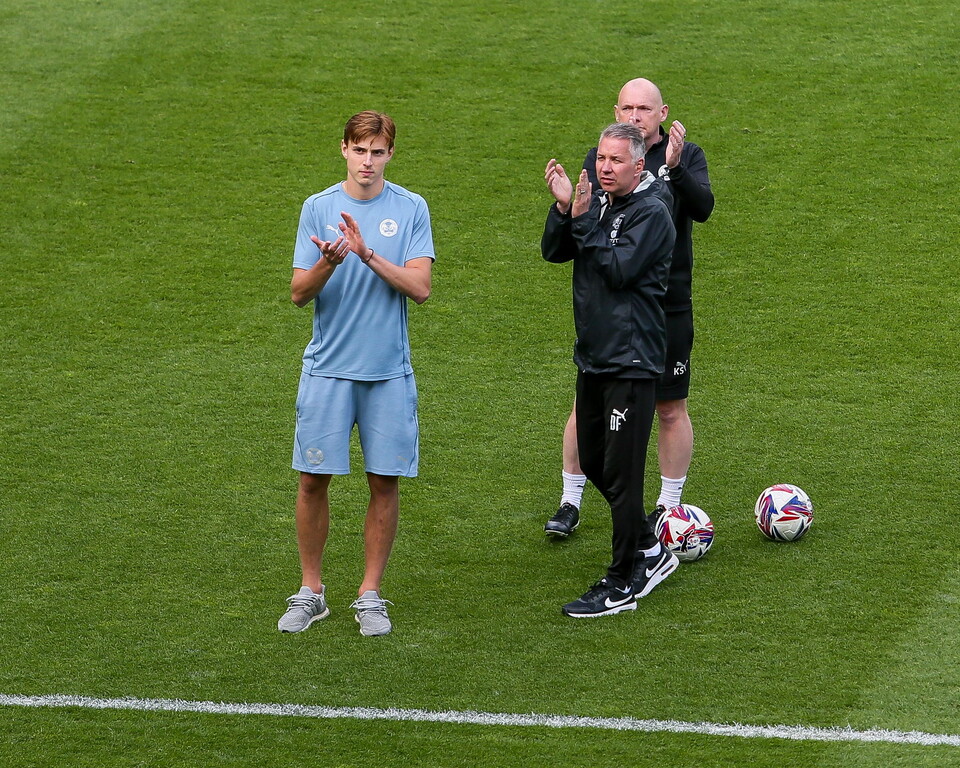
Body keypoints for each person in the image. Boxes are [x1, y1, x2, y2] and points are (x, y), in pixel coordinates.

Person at [278, 111, 435, 637]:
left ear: (390, 154)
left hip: (388, 373)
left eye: (378, 151)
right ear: (343, 148)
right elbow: (299, 293)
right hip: (328, 371)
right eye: (360, 150)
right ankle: (311, 590)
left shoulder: (411, 208)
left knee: (383, 482)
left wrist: (366, 254)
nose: (368, 161)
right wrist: (331, 261)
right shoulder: (317, 208)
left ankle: (370, 594)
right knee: (311, 479)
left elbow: (420, 288)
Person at [545, 78, 715, 538]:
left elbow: (703, 208)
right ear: (616, 111)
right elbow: (579, 224)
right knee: (588, 404)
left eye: (644, 108)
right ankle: (570, 499)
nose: (634, 116)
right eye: (627, 108)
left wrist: (677, 170)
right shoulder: (604, 158)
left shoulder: (685, 155)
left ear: (663, 114)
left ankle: (668, 507)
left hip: (667, 301)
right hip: (613, 304)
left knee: (670, 405)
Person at [542, 122, 678, 617]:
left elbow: (618, 270)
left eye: (616, 160)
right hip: (594, 358)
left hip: (632, 360)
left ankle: (624, 580)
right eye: (600, 158)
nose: (603, 167)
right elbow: (553, 251)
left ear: (639, 165)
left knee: (621, 473)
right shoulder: (593, 204)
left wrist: (581, 220)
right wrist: (564, 210)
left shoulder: (653, 213)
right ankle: (648, 544)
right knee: (596, 462)